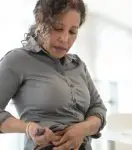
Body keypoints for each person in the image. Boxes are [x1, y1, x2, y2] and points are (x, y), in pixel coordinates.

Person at [0, 0, 107, 150]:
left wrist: (82, 129)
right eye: (57, 28)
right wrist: (27, 128)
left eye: (72, 31)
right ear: (40, 22)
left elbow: (98, 108)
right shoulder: (17, 60)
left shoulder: (78, 65)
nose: (64, 39)